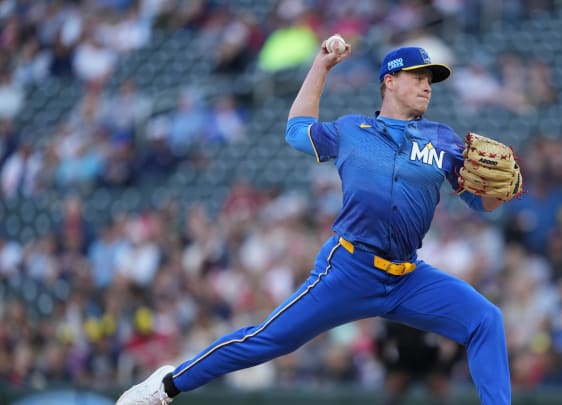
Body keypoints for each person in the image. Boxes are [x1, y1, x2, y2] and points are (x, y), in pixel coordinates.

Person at [116, 39, 512, 405]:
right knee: (267, 340)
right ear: (389, 81)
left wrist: (500, 190)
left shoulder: (442, 138)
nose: (428, 86)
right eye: (419, 77)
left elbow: (481, 203)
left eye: (431, 80)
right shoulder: (352, 130)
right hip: (350, 269)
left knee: (485, 319)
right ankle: (166, 385)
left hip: (409, 277)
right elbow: (295, 131)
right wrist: (321, 66)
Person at [375, 320, 462, 405]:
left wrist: (445, 359)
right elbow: (383, 349)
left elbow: (451, 350)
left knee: (440, 386)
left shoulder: (437, 320)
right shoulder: (395, 323)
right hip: (402, 365)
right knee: (393, 386)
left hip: (432, 366)